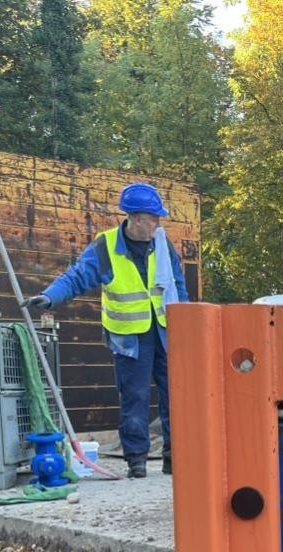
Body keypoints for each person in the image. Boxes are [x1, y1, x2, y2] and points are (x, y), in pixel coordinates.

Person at [25, 183, 187, 479]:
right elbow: (77, 276)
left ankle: (174, 458)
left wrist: (188, 326)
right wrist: (50, 296)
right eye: (154, 218)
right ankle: (136, 460)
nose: (158, 224)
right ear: (137, 218)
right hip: (129, 338)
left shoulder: (163, 244)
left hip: (166, 333)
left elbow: (178, 286)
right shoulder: (106, 246)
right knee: (134, 398)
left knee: (176, 396)